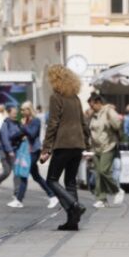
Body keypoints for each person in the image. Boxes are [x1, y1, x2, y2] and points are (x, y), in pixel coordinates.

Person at [40, 65, 90, 231]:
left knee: (51, 180)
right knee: (70, 182)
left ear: (55, 80)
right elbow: (83, 123)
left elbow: (53, 124)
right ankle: (72, 222)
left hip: (64, 144)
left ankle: (74, 206)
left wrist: (46, 148)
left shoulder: (56, 97)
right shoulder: (75, 97)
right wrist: (86, 143)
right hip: (78, 145)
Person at [11, 101, 57, 209]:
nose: (22, 112)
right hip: (26, 152)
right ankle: (52, 196)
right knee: (36, 176)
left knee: (24, 174)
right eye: (21, 110)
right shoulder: (25, 121)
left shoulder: (35, 121)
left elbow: (32, 134)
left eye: (23, 109)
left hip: (34, 151)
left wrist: (22, 126)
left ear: (29, 110)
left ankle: (19, 200)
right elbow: (20, 133)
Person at [87, 92, 125, 208]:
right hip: (96, 148)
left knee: (103, 170)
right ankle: (101, 199)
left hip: (108, 145)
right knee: (99, 173)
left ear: (98, 103)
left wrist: (111, 122)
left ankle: (117, 190)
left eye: (92, 105)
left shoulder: (109, 111)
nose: (91, 108)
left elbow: (118, 124)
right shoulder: (94, 115)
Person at [0, 105, 23, 199]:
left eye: (16, 113)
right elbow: (4, 138)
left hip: (15, 150)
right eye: (13, 113)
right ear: (9, 113)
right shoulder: (5, 124)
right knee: (6, 172)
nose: (15, 114)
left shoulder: (17, 123)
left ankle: (16, 193)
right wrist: (9, 151)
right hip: (5, 151)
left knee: (16, 171)